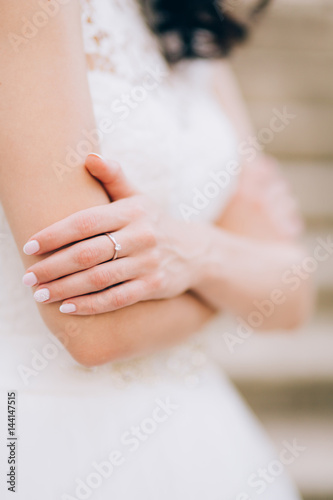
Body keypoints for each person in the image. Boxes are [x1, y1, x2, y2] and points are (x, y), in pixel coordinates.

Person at [0, 0, 312, 498]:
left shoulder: (190, 33)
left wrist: (198, 253)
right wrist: (233, 280)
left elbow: (293, 295)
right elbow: (94, 332)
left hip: (192, 427)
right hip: (38, 427)